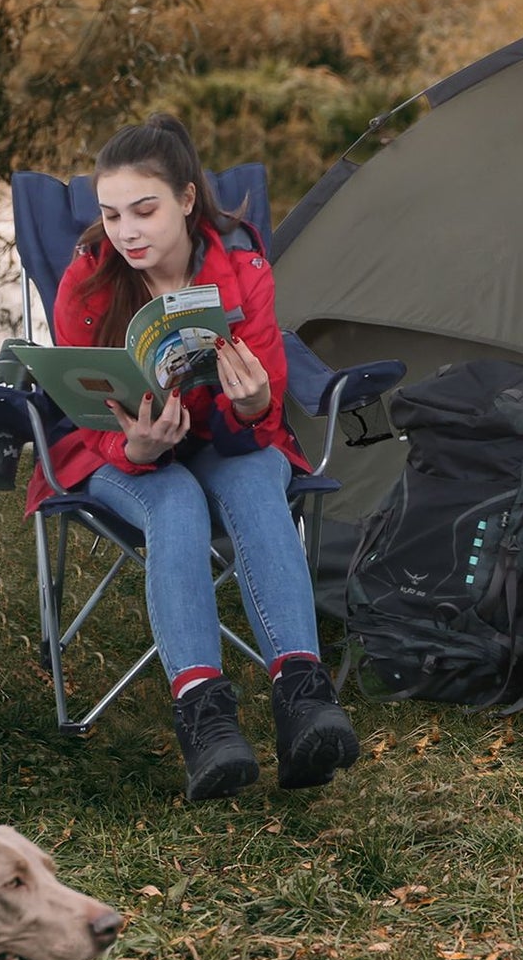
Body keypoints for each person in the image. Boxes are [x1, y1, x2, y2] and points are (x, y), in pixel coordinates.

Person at [24, 113, 359, 799]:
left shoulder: (242, 271)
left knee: (254, 483)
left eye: (143, 210)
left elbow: (262, 407)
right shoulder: (86, 284)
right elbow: (81, 411)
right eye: (111, 214)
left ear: (184, 198)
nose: (127, 232)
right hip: (119, 454)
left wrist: (249, 401)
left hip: (227, 442)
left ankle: (303, 705)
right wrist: (133, 445)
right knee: (174, 502)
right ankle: (206, 723)